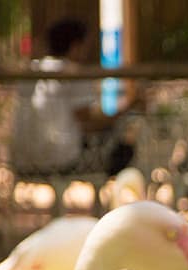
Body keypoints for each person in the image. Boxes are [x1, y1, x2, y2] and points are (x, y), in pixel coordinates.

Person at [10, 17, 139, 176]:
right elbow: (90, 123)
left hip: (22, 160)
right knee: (125, 143)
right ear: (75, 46)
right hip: (62, 161)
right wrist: (128, 107)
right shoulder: (73, 73)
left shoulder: (32, 70)